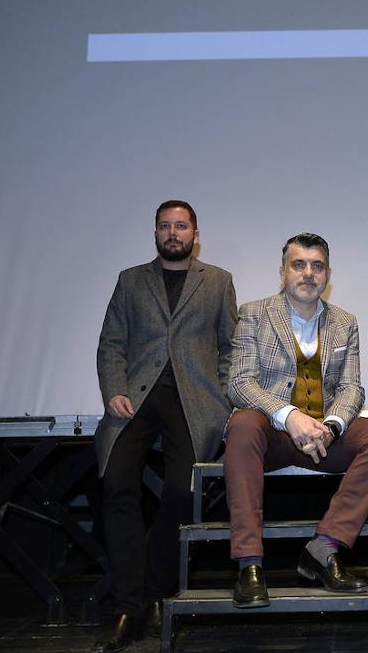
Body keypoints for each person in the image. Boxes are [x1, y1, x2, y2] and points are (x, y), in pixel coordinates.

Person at [223, 233, 368, 608]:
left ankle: (324, 548)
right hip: (271, 436)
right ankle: (250, 564)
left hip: (325, 438)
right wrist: (289, 417)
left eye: (316, 266)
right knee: (241, 423)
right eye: (298, 265)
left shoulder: (345, 322)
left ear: (327, 274)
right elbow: (240, 382)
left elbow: (352, 387)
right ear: (283, 272)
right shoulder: (254, 313)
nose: (308, 273)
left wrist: (332, 426)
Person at [92, 200, 238, 652]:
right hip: (135, 398)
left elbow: (231, 347)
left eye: (181, 225)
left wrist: (224, 399)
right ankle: (127, 607)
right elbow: (111, 343)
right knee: (116, 484)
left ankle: (156, 592)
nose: (172, 232)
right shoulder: (130, 280)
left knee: (180, 492)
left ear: (196, 232)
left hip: (194, 400)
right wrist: (113, 389)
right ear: (155, 233)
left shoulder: (217, 281)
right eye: (164, 226)